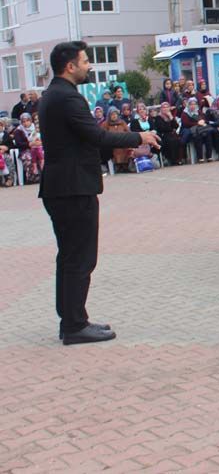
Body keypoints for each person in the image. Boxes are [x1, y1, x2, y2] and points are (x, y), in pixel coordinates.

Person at [39, 41, 160, 344]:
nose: (89, 66)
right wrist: (139, 136)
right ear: (70, 66)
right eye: (85, 61)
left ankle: (71, 319)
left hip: (61, 186)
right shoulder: (67, 98)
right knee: (80, 257)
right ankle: (75, 325)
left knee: (69, 256)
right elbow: (96, 135)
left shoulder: (52, 95)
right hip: (73, 187)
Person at [179, 98, 215, 163]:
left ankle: (209, 156)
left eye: (194, 104)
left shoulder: (198, 111)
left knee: (208, 134)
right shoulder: (185, 113)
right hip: (191, 130)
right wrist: (197, 123)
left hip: (201, 128)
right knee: (198, 136)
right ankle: (200, 157)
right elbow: (186, 123)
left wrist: (203, 121)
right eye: (191, 104)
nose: (193, 106)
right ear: (188, 105)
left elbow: (203, 118)